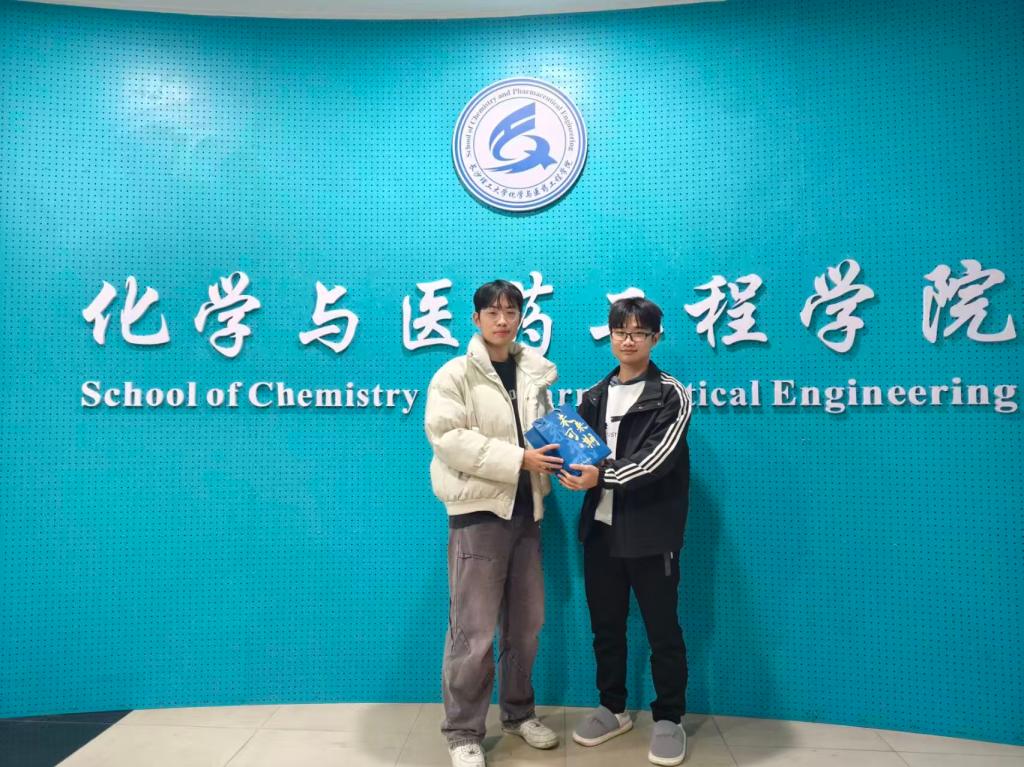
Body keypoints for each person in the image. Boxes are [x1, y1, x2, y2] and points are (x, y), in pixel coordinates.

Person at [424, 280, 564, 767]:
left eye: (511, 311)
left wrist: (570, 464)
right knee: (474, 630)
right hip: (478, 514)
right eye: (493, 311)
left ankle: (519, 713)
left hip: (527, 512)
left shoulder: (533, 373)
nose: (503, 320)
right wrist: (519, 458)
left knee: (527, 625)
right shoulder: (454, 374)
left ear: (521, 317)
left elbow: (547, 436)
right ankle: (463, 731)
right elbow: (448, 439)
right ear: (476, 319)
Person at [559, 296, 693, 766]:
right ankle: (612, 707)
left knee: (662, 630)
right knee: (606, 627)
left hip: (651, 534)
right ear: (610, 335)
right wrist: (565, 465)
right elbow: (577, 451)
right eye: (621, 331)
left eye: (639, 332)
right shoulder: (594, 396)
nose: (629, 340)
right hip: (601, 530)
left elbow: (657, 460)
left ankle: (669, 718)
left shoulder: (672, 393)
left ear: (656, 338)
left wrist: (601, 475)